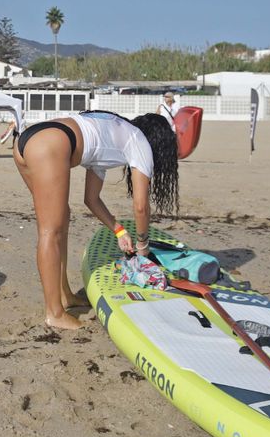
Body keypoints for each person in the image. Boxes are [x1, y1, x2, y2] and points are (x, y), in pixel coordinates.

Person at [12, 111, 180, 330]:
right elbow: (141, 206)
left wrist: (119, 231)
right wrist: (142, 246)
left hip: (28, 139)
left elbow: (91, 199)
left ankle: (65, 296)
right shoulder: (140, 142)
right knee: (50, 231)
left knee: (60, 217)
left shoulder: (114, 132)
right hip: (50, 143)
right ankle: (54, 313)